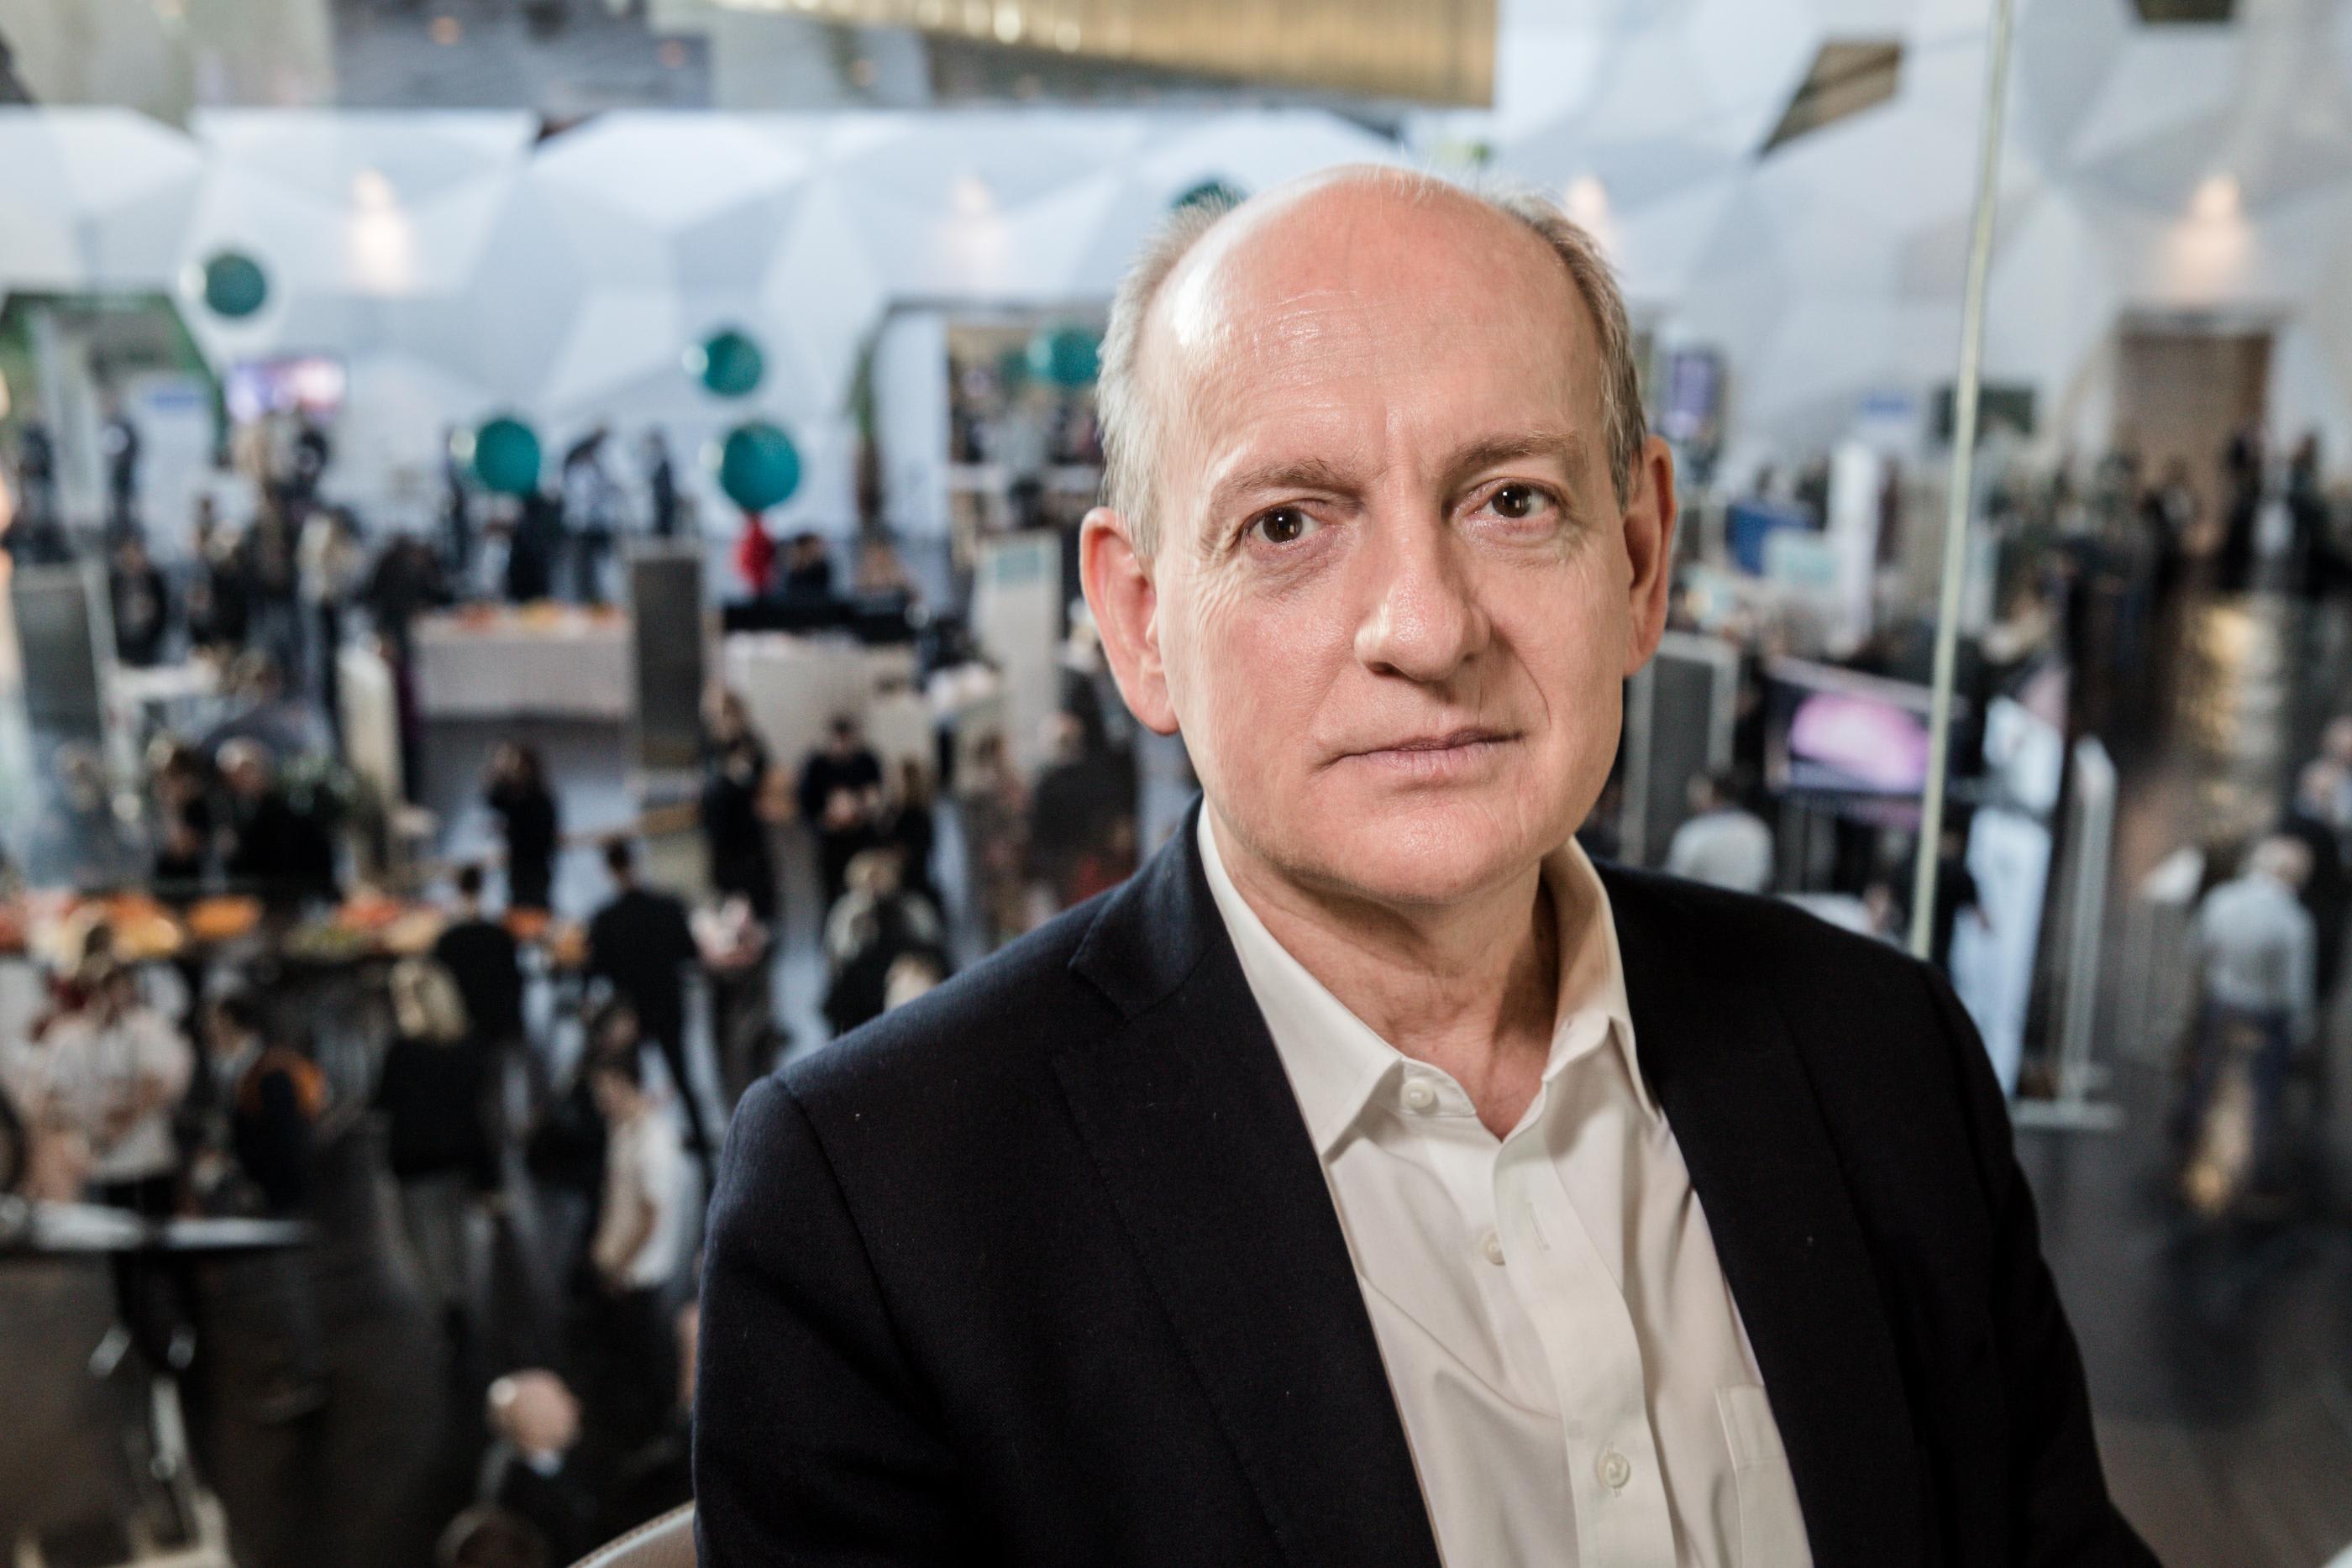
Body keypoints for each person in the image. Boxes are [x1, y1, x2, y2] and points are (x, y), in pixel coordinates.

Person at [697, 169, 2150, 1568]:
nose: (1427, 626)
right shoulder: (883, 1216)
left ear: (1641, 558)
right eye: (1286, 524)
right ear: (1140, 622)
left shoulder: (1884, 1054)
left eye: (1511, 500)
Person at [2178, 836, 2318, 1210]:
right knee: (2261, 1095)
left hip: (2221, 1003)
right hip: (2265, 1015)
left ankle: (2192, 1151)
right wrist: (2302, 1033)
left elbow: (2197, 950)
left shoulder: (2221, 900)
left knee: (2207, 1079)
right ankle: (2254, 1175)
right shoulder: (2294, 920)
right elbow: (2294, 988)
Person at [6, 957, 192, 1216]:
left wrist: (118, 1127)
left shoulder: (150, 1028)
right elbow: (47, 1098)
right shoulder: (67, 1035)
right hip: (93, 1164)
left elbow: (157, 1086)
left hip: (148, 1161)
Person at [375, 957, 494, 1339]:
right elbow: (478, 1112)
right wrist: (489, 1176)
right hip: (458, 1158)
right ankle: (458, 1301)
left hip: (415, 1163)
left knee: (422, 1242)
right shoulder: (469, 1046)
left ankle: (448, 1307)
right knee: (456, 1238)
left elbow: (381, 1102)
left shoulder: (402, 1052)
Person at [580, 1047, 685, 1454]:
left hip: (639, 1272)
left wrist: (617, 1266)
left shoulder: (654, 1140)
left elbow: (650, 1217)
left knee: (645, 1357)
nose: (600, 1101)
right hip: (619, 1262)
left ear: (627, 1084)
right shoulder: (623, 1127)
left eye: (605, 1090)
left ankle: (651, 1434)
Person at [585, 839, 709, 1175]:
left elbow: (596, 971)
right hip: (668, 1002)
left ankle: (644, 1160)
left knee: (633, 1086)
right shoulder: (666, 906)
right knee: (683, 1077)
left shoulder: (605, 919)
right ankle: (702, 1149)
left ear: (609, 870)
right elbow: (688, 951)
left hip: (633, 1012)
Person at [698, 690, 778, 925]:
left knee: (759, 904)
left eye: (726, 713)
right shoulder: (710, 744)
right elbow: (709, 785)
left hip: (748, 836)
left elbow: (759, 778)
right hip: (721, 836)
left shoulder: (750, 742)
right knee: (726, 904)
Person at [435, 863, 527, 1052]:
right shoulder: (499, 930)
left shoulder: (448, 935)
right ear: (481, 885)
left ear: (458, 886)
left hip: (463, 1019)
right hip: (497, 1018)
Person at [795, 715, 884, 907]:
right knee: (831, 896)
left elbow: (876, 797)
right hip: (830, 841)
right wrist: (826, 820)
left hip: (860, 837)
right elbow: (805, 805)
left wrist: (860, 809)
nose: (841, 746)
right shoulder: (816, 765)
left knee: (865, 891)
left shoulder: (866, 762)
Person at [1663, 768, 1774, 894]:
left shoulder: (1695, 831)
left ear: (1710, 793)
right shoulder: (1756, 827)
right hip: (1745, 903)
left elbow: (1676, 877)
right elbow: (1764, 876)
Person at [486, 743, 559, 913]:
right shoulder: (526, 797)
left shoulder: (537, 799)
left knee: (533, 909)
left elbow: (499, 802)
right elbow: (494, 800)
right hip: (523, 867)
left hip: (534, 867)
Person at [108, 534, 171, 668]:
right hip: (122, 646)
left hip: (150, 644)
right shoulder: (113, 582)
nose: (132, 559)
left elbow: (164, 610)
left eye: (135, 554)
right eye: (128, 555)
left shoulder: (154, 580)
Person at [643, 429, 679, 541]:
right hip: (660, 500)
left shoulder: (663, 462)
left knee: (665, 527)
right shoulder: (656, 461)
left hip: (665, 500)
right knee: (660, 526)